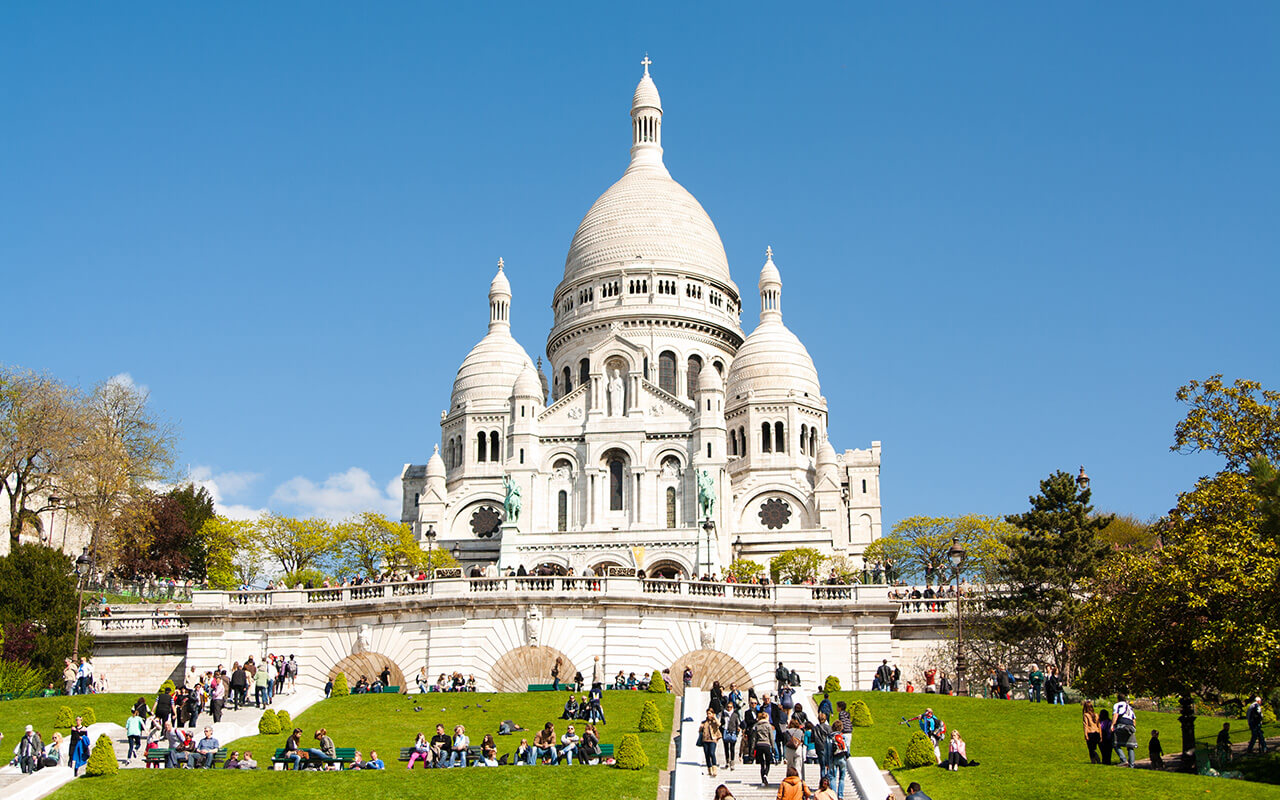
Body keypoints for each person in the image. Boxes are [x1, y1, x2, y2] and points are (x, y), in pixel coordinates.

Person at [1112, 694, 1137, 767]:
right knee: (1130, 746)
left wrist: (1112, 725)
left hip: (1122, 724)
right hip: (1131, 726)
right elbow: (1134, 719)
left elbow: (1115, 714)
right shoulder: (1130, 707)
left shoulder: (1117, 705)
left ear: (1118, 699)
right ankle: (1132, 765)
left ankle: (1123, 760)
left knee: (1115, 743)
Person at [751, 710, 775, 786]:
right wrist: (773, 747)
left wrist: (752, 748)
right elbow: (771, 737)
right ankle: (766, 774)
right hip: (766, 744)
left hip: (759, 745)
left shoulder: (757, 726)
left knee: (762, 763)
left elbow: (754, 738)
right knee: (768, 762)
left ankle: (762, 780)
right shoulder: (768, 726)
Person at [699, 708, 723, 776]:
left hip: (713, 739)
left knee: (712, 753)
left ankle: (714, 769)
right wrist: (701, 727)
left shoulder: (714, 722)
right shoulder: (704, 722)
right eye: (707, 714)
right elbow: (700, 731)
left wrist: (714, 717)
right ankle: (709, 769)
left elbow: (719, 724)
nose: (708, 715)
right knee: (707, 755)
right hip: (705, 740)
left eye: (710, 713)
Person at [721, 701, 742, 770]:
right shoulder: (723, 714)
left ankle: (732, 762)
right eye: (728, 707)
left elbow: (737, 724)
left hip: (733, 732)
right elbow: (721, 723)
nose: (729, 708)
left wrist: (737, 732)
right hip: (725, 731)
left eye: (730, 707)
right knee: (726, 748)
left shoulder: (735, 715)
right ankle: (727, 761)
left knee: (732, 748)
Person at [830, 731, 849, 800]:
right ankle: (840, 796)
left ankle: (834, 795)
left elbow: (828, 750)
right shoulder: (844, 737)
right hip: (842, 758)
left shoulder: (830, 737)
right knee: (842, 778)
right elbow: (847, 747)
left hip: (834, 759)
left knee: (833, 777)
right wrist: (847, 756)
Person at [1081, 700, 1101, 764]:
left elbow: (1085, 725)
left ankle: (1094, 760)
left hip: (1090, 732)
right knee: (1094, 748)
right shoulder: (1096, 715)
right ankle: (1096, 760)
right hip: (1097, 732)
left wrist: (1085, 734)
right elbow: (1099, 725)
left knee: (1091, 749)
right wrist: (1100, 734)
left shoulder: (1085, 715)